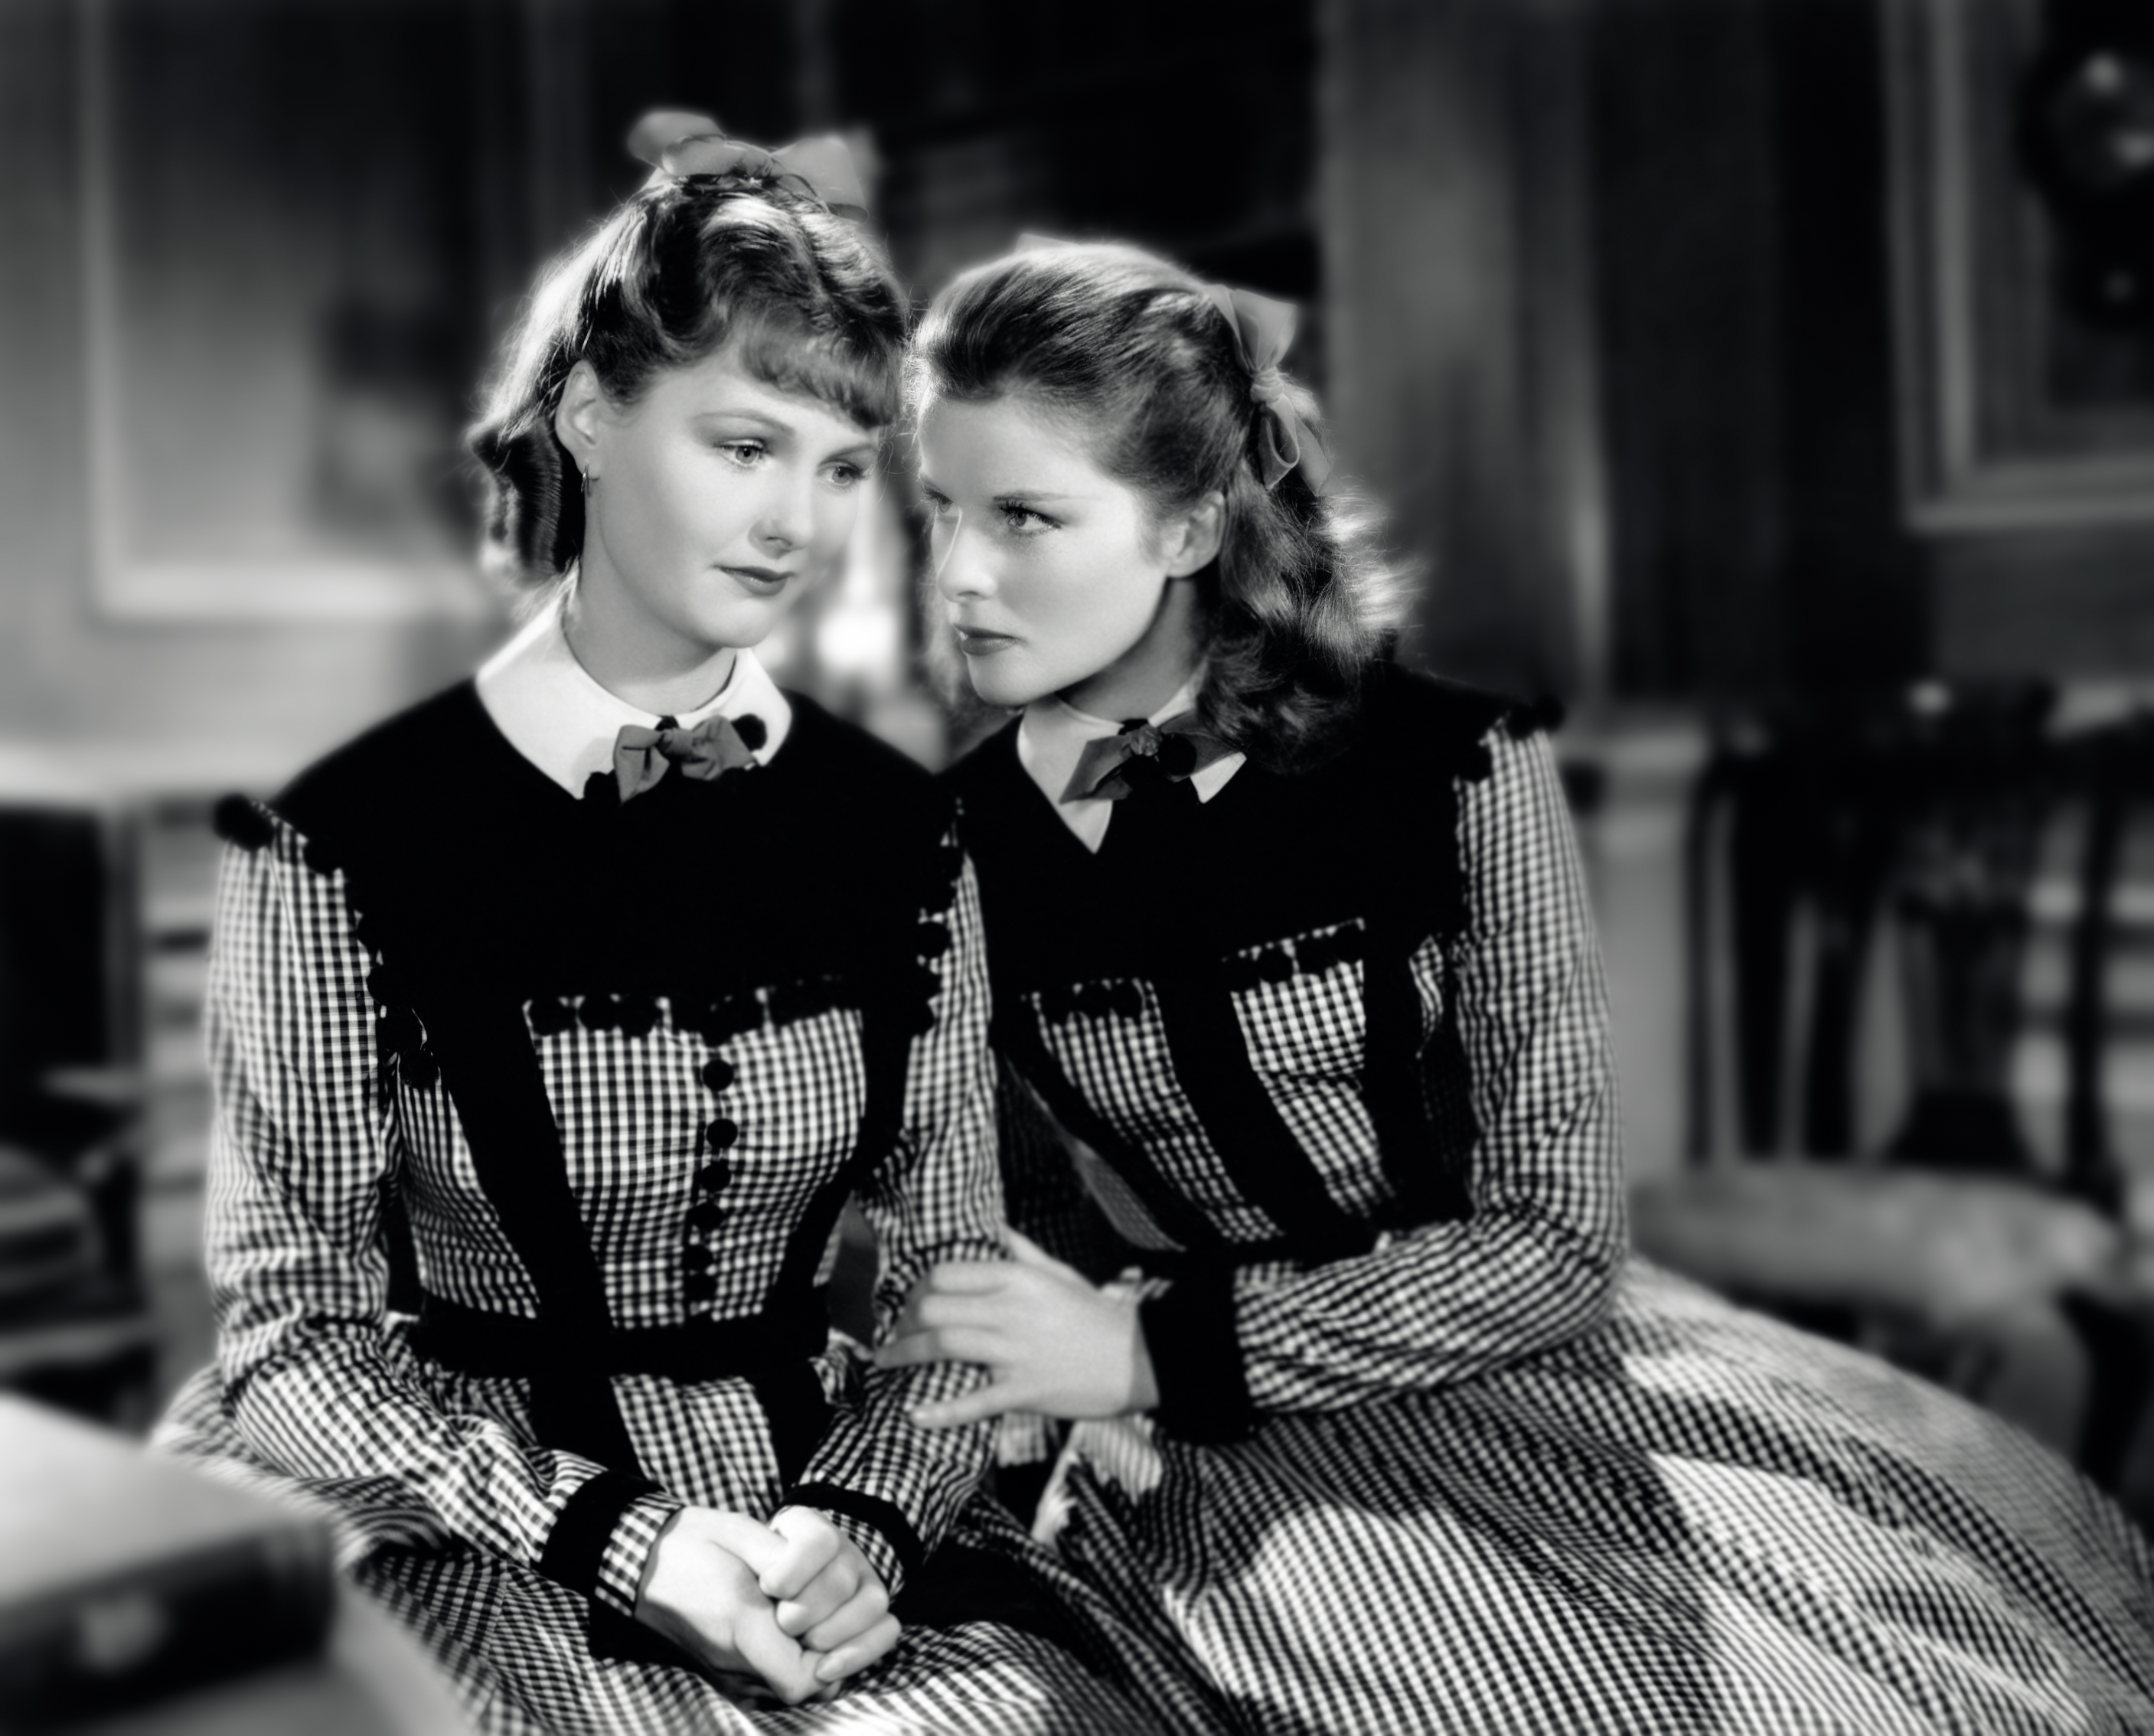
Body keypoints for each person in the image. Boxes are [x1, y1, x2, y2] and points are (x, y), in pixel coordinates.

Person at [884, 237, 2154, 1733]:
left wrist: (1156, 1349)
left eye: (1025, 517)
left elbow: (1556, 1240)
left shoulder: (1458, 768)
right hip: (1214, 1471)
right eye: (942, 511)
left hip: (1531, 1376)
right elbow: (999, 1244)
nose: (958, 575)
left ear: (1189, 528)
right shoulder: (942, 857)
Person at [153, 123, 1210, 1735]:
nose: (796, 521)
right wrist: (620, 1538)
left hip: (817, 1507)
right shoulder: (336, 844)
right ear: (590, 417)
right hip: (470, 1515)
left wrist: (862, 1524)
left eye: (841, 468)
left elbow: (951, 1281)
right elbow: (289, 1336)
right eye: (743, 445)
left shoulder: (904, 834)